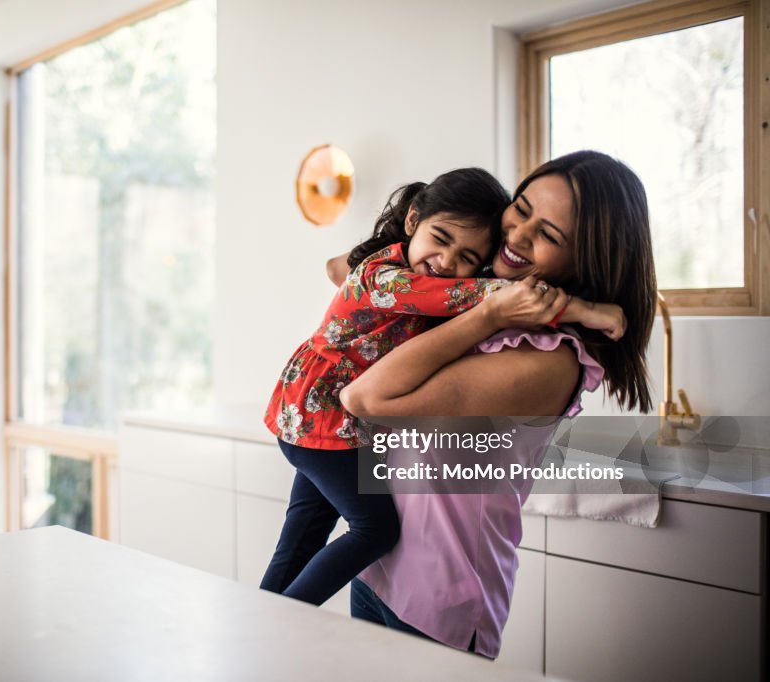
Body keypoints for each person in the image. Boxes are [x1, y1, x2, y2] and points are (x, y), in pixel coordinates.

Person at [337, 150, 656, 659]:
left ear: (587, 260)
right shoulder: (484, 299)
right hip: (379, 568)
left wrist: (487, 315)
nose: (517, 235)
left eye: (549, 235)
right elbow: (346, 274)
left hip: (437, 598)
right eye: (521, 208)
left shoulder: (546, 359)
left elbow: (366, 398)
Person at [260, 167, 624, 607]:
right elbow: (477, 297)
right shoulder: (391, 279)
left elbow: (462, 292)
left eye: (468, 257)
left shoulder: (405, 273)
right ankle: (284, 620)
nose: (448, 263)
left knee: (304, 532)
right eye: (442, 238)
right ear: (413, 221)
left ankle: (268, 613)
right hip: (321, 417)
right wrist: (583, 309)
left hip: (319, 418)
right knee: (372, 530)